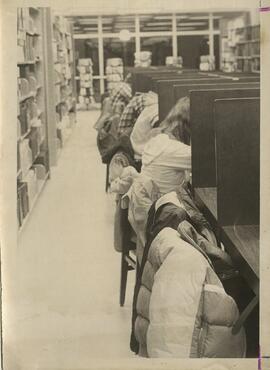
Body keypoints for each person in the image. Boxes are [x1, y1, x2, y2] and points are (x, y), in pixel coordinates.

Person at [139, 96, 191, 194]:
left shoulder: (158, 140)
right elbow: (206, 162)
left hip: (152, 204)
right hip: (168, 205)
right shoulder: (174, 149)